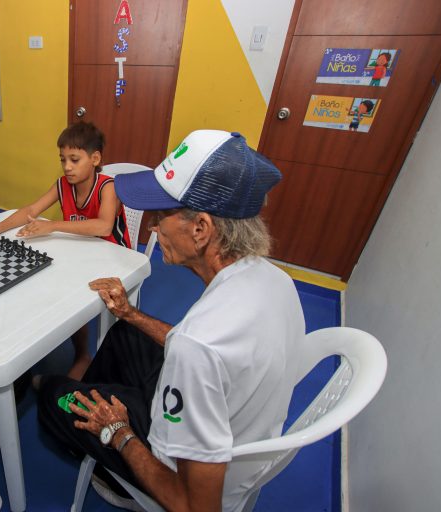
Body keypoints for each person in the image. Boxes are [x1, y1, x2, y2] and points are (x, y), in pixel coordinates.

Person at [37, 130, 306, 512]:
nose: (152, 228)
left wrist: (118, 432)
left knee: (52, 392)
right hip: (236, 422)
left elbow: (196, 506)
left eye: (161, 216)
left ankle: (102, 441)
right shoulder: (274, 279)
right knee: (123, 334)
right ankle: (101, 419)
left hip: (194, 476)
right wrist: (129, 313)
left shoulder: (199, 347)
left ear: (201, 229)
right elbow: (200, 349)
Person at [0, 121, 131, 380]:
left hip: (112, 255)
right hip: (78, 250)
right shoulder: (62, 184)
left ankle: (86, 357)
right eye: (63, 159)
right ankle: (80, 353)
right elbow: (30, 211)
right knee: (48, 280)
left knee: (70, 289)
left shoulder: (108, 186)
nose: (67, 166)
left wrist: (53, 226)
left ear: (95, 158)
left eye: (74, 159)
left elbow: (103, 226)